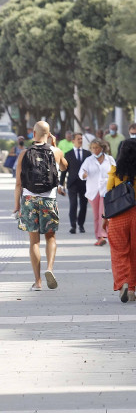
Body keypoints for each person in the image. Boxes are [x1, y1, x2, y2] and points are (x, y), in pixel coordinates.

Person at [13, 122, 67, 291]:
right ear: (49, 134)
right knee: (50, 237)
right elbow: (65, 166)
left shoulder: (24, 153)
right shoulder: (55, 152)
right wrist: (55, 146)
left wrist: (17, 205)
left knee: (33, 242)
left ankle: (37, 282)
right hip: (48, 200)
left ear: (34, 133)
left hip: (29, 200)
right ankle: (49, 269)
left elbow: (18, 183)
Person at [104, 138, 136, 303]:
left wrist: (106, 217)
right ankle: (131, 288)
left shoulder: (115, 171)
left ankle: (122, 282)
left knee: (118, 251)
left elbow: (109, 192)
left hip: (118, 214)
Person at [79, 138, 114, 246]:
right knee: (96, 216)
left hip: (106, 190)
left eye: (97, 148)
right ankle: (99, 237)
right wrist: (84, 175)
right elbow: (81, 173)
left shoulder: (110, 159)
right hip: (93, 191)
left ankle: (104, 235)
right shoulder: (88, 160)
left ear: (102, 148)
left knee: (103, 214)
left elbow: (115, 172)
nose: (95, 150)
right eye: (93, 148)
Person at [59, 133, 90, 234]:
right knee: (73, 204)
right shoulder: (68, 154)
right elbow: (64, 170)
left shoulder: (87, 154)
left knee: (83, 205)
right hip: (72, 183)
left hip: (84, 184)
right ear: (73, 141)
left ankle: (81, 224)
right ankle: (73, 225)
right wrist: (60, 184)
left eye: (81, 139)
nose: (80, 140)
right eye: (78, 139)